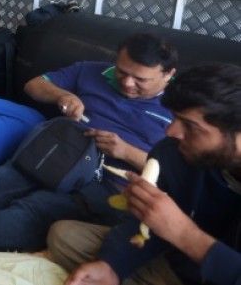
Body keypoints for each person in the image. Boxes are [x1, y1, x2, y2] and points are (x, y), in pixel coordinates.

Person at [0, 34, 177, 253]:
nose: (126, 83)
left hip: (111, 183)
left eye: (140, 80)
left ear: (168, 75)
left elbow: (180, 173)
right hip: (63, 151)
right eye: (122, 72)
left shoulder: (180, 109)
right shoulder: (93, 70)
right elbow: (34, 85)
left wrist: (127, 152)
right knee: (7, 177)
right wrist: (61, 96)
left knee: (37, 206)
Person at [48, 63, 241, 285]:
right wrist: (111, 265)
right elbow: (143, 223)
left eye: (190, 126)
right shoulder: (174, 153)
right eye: (175, 117)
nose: (171, 131)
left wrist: (183, 233)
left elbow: (176, 230)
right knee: (66, 236)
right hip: (178, 263)